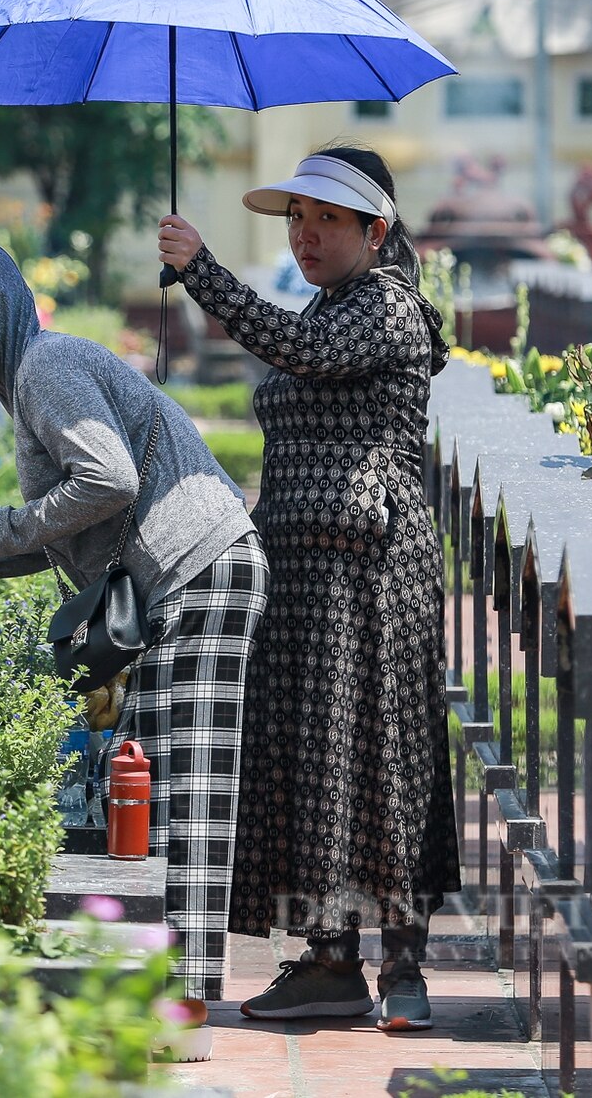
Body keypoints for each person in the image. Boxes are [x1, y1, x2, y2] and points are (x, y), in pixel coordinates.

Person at [0, 240, 268, 1033]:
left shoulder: (46, 366)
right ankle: (160, 974)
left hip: (200, 568)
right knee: (141, 776)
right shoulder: (26, 378)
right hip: (180, 578)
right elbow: (69, 527)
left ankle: (188, 993)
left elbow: (109, 482)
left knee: (182, 785)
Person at [155, 145, 459, 1033]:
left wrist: (202, 270)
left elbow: (304, 349)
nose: (305, 234)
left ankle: (405, 964)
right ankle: (329, 959)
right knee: (314, 759)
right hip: (303, 559)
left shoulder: (391, 311)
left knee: (382, 750)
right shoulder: (334, 302)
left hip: (370, 562)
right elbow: (300, 342)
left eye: (326, 219)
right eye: (295, 218)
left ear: (377, 229)